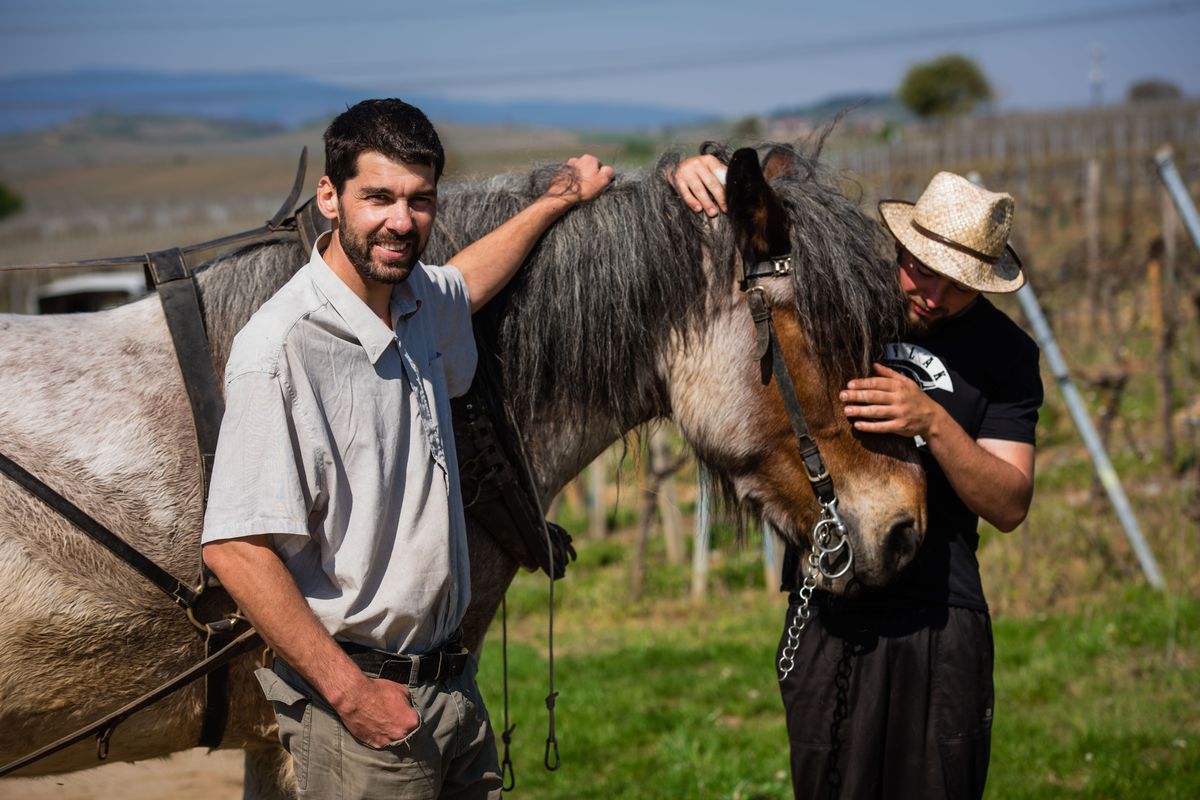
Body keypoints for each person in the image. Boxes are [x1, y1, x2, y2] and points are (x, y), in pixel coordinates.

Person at [201, 98, 612, 799]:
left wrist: (556, 200)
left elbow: (471, 277)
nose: (401, 221)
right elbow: (235, 548)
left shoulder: (418, 300)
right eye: (379, 197)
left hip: (453, 690)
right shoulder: (280, 351)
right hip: (362, 709)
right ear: (329, 197)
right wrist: (353, 695)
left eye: (420, 200)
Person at [673, 156, 1042, 799]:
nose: (933, 294)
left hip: (941, 614)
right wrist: (693, 172)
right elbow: (767, 205)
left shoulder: (1006, 355)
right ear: (901, 245)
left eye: (959, 284)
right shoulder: (845, 295)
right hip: (826, 609)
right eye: (922, 269)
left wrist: (933, 421)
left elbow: (1009, 503)